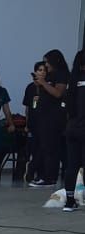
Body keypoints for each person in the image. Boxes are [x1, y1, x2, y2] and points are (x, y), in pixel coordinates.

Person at [36, 48, 69, 189]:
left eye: (47, 62)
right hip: (44, 115)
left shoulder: (61, 74)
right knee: (44, 146)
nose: (45, 65)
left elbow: (58, 93)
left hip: (55, 117)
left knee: (52, 148)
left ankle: (51, 178)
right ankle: (43, 175)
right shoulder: (49, 75)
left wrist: (43, 83)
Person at [61, 48, 85, 212]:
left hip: (71, 129)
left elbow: (65, 107)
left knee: (72, 166)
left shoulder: (72, 82)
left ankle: (69, 201)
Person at [23, 62, 48, 185]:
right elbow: (28, 107)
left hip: (46, 123)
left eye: (44, 70)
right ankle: (33, 172)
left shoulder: (49, 87)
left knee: (43, 148)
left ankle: (38, 172)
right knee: (35, 148)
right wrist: (26, 124)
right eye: (39, 70)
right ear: (35, 72)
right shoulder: (30, 88)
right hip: (33, 123)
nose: (42, 72)